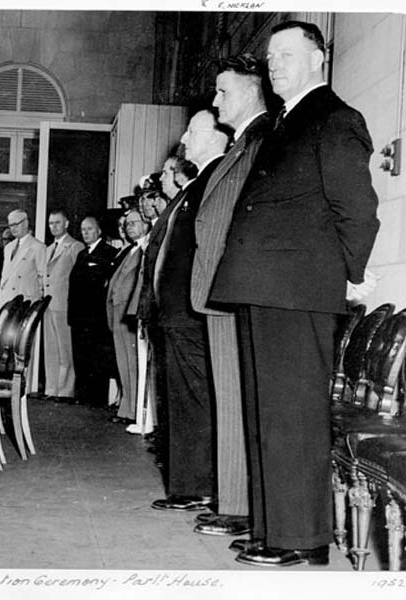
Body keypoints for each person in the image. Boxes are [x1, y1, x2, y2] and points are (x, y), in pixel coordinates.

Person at [210, 21, 380, 567]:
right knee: (266, 414)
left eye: (287, 52)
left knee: (294, 417)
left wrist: (349, 274)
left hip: (299, 288)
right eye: (270, 55)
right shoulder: (287, 122)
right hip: (266, 286)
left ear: (319, 58)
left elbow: (357, 209)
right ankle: (270, 527)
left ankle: (302, 540)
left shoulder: (334, 119)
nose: (274, 63)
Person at [188, 54, 273, 538]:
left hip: (234, 285)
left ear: (251, 90)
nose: (217, 99)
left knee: (236, 399)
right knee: (228, 398)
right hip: (222, 287)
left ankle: (239, 505)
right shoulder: (246, 141)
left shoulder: (262, 139)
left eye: (224, 91)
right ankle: (232, 499)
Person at [144, 110, 228, 513]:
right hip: (175, 312)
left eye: (193, 131)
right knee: (181, 400)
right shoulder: (195, 185)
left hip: (190, 312)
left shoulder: (215, 179)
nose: (184, 138)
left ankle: (198, 487)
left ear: (217, 137)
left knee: (194, 400)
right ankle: (188, 484)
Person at [67, 216, 117, 407]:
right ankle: (83, 397)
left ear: (99, 231)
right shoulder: (81, 254)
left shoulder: (109, 252)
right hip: (79, 318)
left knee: (97, 361)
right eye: (82, 229)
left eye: (89, 229)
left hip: (96, 319)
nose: (85, 233)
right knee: (81, 359)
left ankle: (95, 402)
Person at [106, 209, 150, 423]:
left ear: (146, 224)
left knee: (132, 363)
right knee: (124, 363)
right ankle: (127, 409)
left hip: (130, 314)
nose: (128, 227)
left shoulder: (145, 249)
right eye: (127, 224)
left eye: (134, 222)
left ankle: (133, 411)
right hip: (119, 313)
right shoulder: (132, 250)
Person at [42, 209, 84, 402]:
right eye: (51, 223)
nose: (54, 227)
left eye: (57, 223)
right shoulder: (49, 249)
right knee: (50, 349)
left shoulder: (75, 246)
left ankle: (65, 390)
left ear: (66, 224)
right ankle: (51, 389)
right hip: (48, 305)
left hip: (64, 304)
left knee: (65, 349)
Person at [0, 209, 46, 306]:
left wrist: (36, 299)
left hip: (25, 301)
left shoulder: (38, 247)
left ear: (26, 223)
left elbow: (42, 278)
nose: (13, 228)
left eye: (16, 224)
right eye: (11, 225)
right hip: (6, 300)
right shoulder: (8, 247)